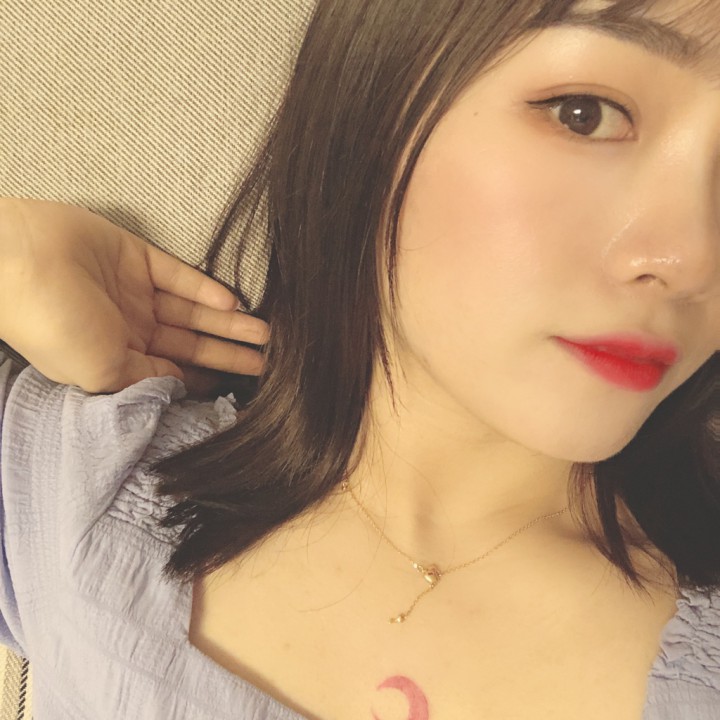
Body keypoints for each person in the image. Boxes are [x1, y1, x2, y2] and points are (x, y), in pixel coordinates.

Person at [0, 0, 718, 718]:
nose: (693, 261)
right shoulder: (86, 480)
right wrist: (13, 254)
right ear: (377, 94)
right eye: (585, 115)